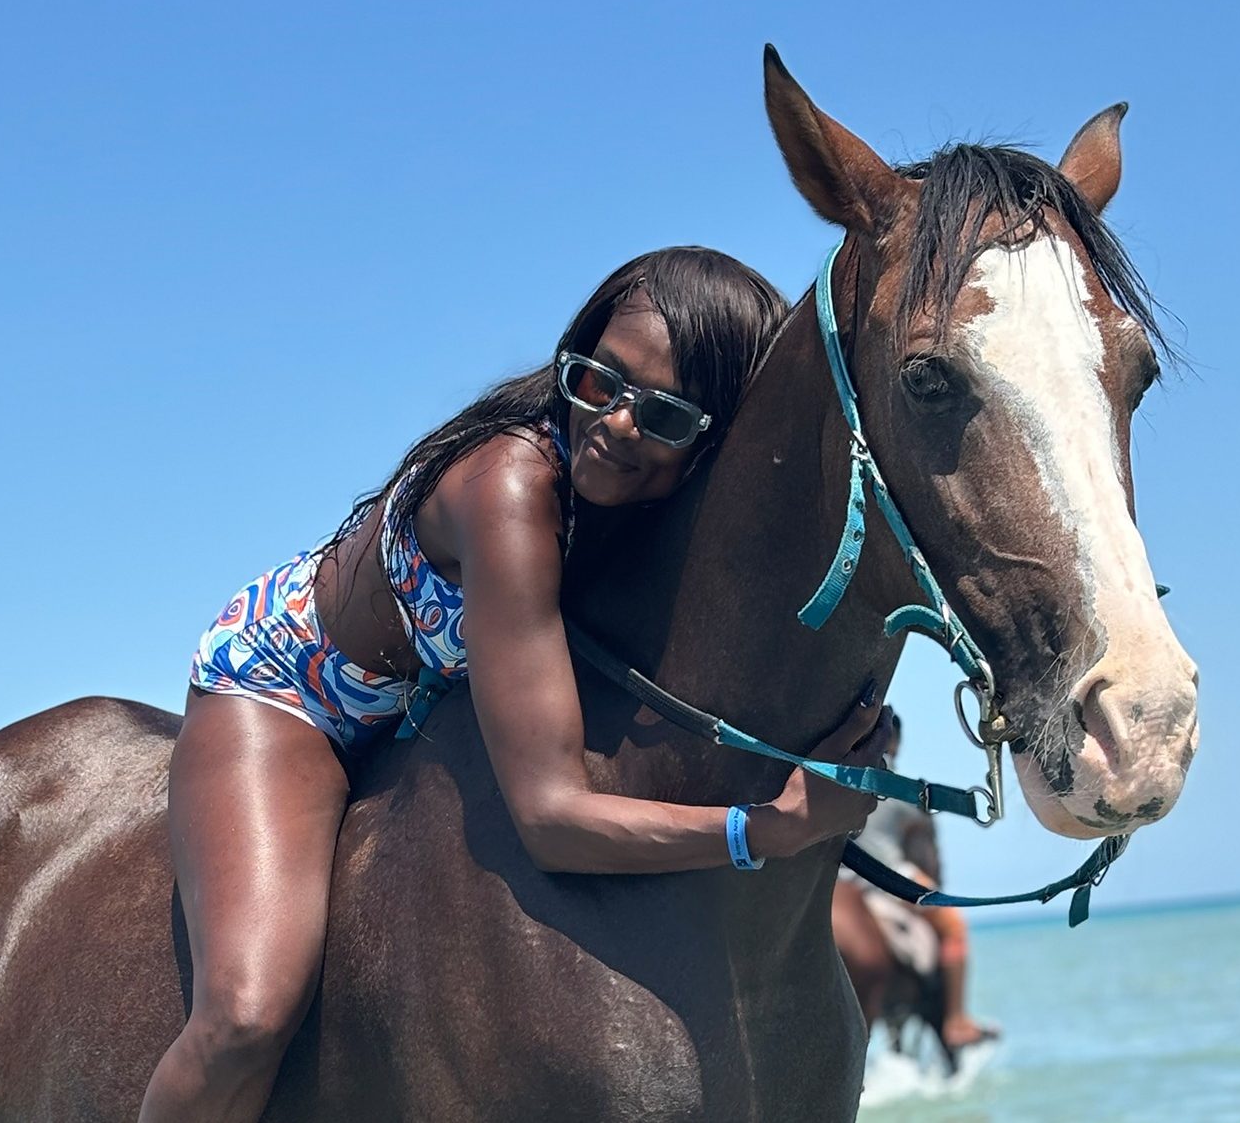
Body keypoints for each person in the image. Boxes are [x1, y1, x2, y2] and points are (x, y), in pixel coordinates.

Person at [139, 247, 895, 1122]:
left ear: (712, 440)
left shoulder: (640, 514)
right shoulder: (512, 485)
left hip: (425, 702)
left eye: (663, 415)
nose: (613, 423)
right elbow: (550, 818)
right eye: (598, 381)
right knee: (244, 1011)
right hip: (295, 690)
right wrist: (769, 827)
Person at [838, 714, 997, 1051]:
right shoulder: (903, 788)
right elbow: (924, 852)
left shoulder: (841, 778)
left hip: (836, 877)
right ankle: (956, 1020)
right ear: (893, 742)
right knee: (953, 923)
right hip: (886, 877)